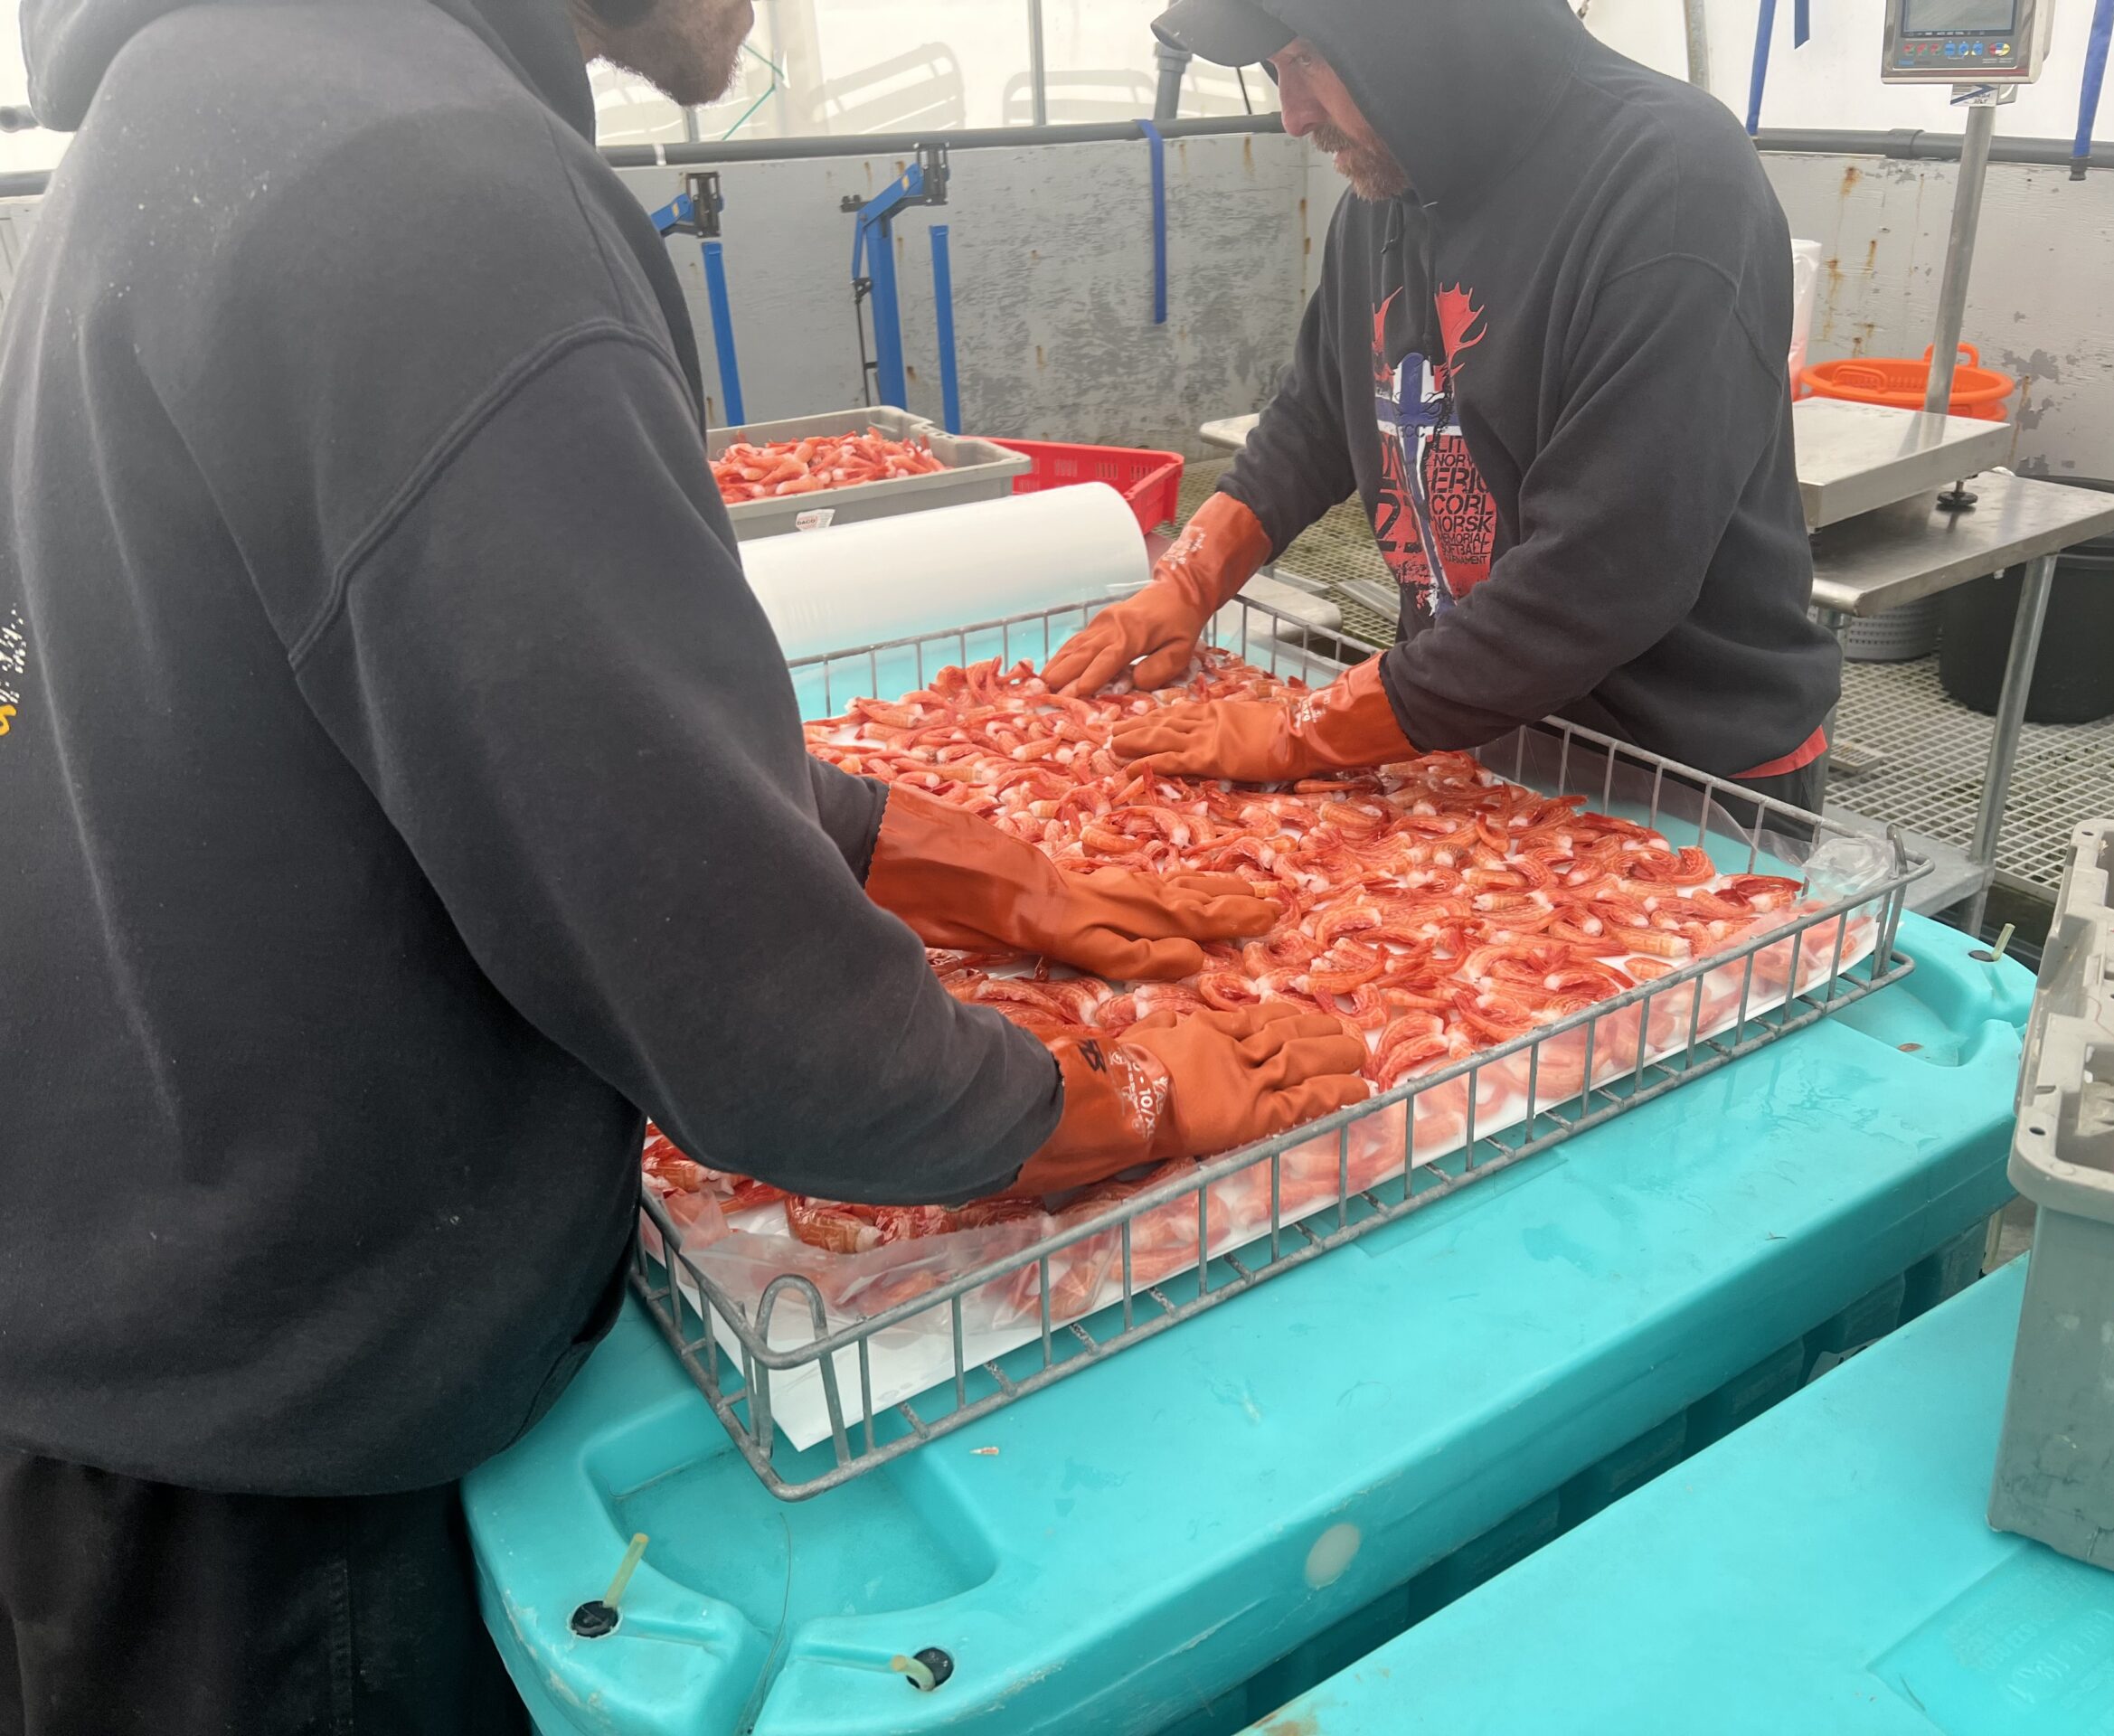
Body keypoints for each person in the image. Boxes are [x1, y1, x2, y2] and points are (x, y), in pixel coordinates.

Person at [0, 0, 1368, 1728]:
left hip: (127, 1351)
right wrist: (1121, 1099)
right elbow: (743, 1004)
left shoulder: (204, 105)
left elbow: (477, 714)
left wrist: (967, 867)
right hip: (287, 1484)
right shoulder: (421, 181)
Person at [1047, 0, 1842, 816]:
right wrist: (1188, 580)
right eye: (1276, 70)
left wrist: (1302, 733)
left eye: (1309, 59)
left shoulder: (1671, 184)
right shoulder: (1392, 177)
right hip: (1457, 731)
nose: (1293, 116)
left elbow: (1607, 568)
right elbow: (1317, 418)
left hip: (1680, 766)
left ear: (1424, 31)